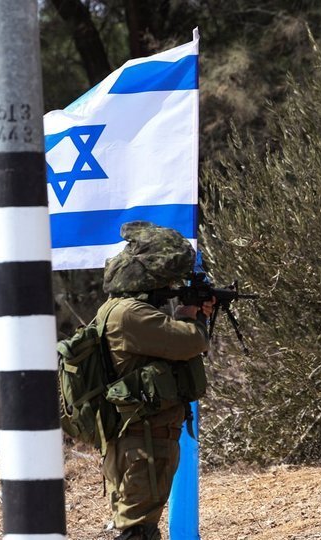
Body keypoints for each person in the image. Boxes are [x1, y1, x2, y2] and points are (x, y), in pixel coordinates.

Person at [97, 221, 214, 540]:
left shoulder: (119, 309)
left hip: (137, 438)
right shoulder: (130, 314)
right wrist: (193, 316)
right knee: (139, 532)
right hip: (143, 441)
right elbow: (190, 342)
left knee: (138, 528)